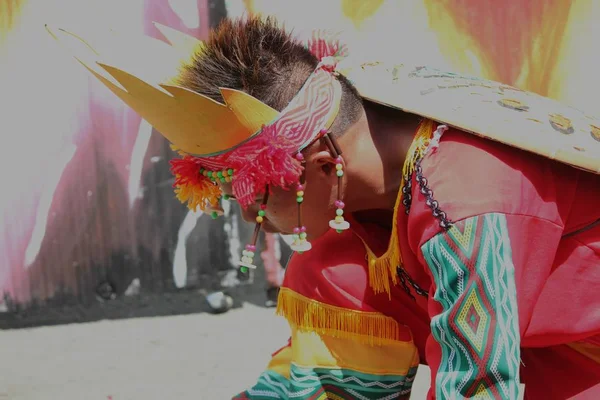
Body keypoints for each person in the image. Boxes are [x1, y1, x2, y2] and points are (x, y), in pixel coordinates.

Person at [48, 16, 600, 399]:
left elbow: (478, 389)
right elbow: (320, 382)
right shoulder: (349, 221)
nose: (249, 217)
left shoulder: (467, 203)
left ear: (316, 160)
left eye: (252, 191)